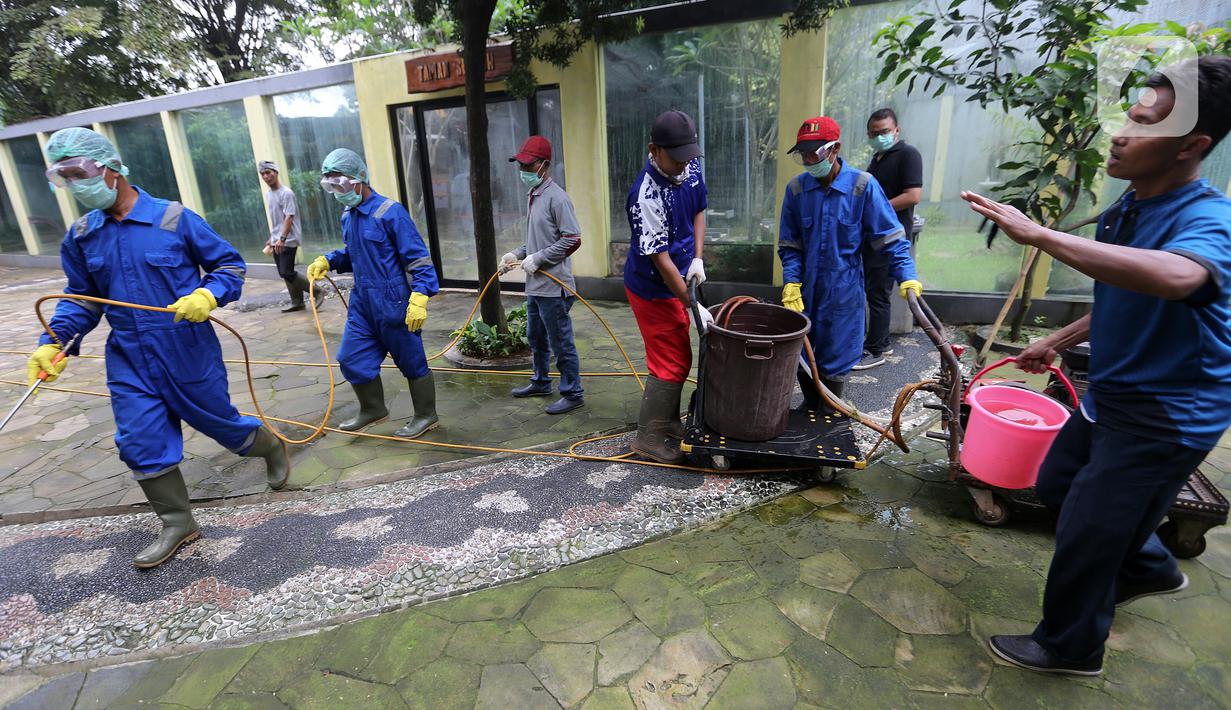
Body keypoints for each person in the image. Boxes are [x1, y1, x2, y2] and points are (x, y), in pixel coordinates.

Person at [965, 56, 1231, 677]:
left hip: (1167, 411)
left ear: (1192, 146)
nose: (1121, 132)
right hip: (1114, 392)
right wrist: (1059, 337)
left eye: (1144, 125)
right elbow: (1126, 290)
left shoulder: (1207, 218)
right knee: (1058, 483)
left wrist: (1043, 237)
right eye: (1128, 116)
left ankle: (1070, 646)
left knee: (1088, 526)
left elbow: (1182, 276)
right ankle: (1150, 566)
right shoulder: (1129, 208)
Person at [27, 128, 290, 569]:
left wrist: (208, 295)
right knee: (139, 439)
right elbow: (84, 298)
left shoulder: (173, 218)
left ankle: (270, 448)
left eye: (78, 174)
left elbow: (228, 265)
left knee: (221, 423)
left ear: (110, 169)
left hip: (186, 347)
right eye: (64, 178)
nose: (73, 186)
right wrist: (53, 342)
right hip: (130, 355)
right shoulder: (82, 235)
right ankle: (177, 522)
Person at [777, 116, 922, 407]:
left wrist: (907, 274)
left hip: (843, 292)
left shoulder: (862, 186)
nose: (808, 160)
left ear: (835, 149)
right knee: (804, 354)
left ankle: (829, 412)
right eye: (803, 154)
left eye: (815, 153)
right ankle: (811, 407)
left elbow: (890, 237)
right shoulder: (796, 190)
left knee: (837, 355)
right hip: (805, 292)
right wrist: (792, 281)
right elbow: (790, 245)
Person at [306, 149, 441, 439]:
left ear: (359, 180)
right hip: (363, 304)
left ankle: (426, 415)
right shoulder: (348, 216)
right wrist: (329, 260)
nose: (337, 193)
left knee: (411, 361)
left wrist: (420, 296)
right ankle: (373, 409)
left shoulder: (390, 213)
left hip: (394, 303)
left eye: (340, 185)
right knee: (350, 357)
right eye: (331, 187)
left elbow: (418, 259)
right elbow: (354, 254)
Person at [624, 110, 712, 463]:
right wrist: (691, 304)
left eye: (688, 156)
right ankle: (649, 437)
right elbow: (660, 261)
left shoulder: (687, 166)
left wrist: (698, 259)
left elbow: (699, 211)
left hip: (680, 276)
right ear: (654, 150)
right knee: (671, 358)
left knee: (680, 352)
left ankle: (667, 423)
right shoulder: (645, 195)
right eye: (676, 158)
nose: (683, 164)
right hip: (652, 287)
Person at [500, 136, 585, 415]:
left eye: (528, 164)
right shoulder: (534, 195)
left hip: (554, 288)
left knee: (561, 344)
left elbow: (572, 239)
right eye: (520, 164)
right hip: (536, 286)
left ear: (544, 165)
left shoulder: (557, 198)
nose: (523, 170)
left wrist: (540, 258)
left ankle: (572, 393)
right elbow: (537, 241)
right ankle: (540, 382)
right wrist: (518, 254)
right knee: (535, 338)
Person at [856, 108, 923, 370]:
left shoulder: (908, 155)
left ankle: (877, 348)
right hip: (871, 236)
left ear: (896, 130)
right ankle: (868, 342)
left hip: (890, 236)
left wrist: (875, 209)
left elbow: (912, 195)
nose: (879, 136)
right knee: (870, 289)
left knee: (879, 294)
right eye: (874, 133)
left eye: (884, 131)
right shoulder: (879, 158)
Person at [259, 160, 322, 313]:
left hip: (288, 239)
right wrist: (272, 237)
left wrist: (282, 238)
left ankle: (318, 291)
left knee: (286, 271)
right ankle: (297, 302)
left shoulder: (286, 193)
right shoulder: (269, 194)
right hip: (277, 239)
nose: (266, 176)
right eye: (263, 174)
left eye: (269, 172)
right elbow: (277, 219)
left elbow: (289, 217)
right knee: (284, 271)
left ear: (276, 172)